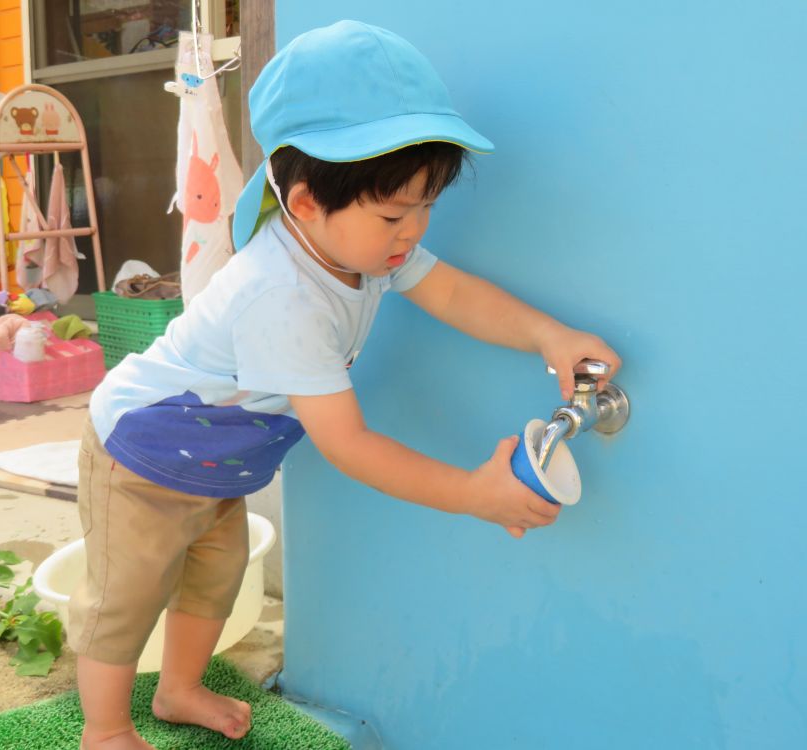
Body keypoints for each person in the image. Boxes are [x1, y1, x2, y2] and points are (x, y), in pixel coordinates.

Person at [71, 19, 622, 750]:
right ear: (305, 201)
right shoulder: (283, 296)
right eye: (396, 212)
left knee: (215, 577)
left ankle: (177, 691)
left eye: (427, 206)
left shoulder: (365, 251)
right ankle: (104, 730)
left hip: (217, 464)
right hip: (139, 455)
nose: (414, 231)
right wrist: (471, 493)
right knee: (126, 597)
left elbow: (455, 295)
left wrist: (548, 336)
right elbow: (350, 445)